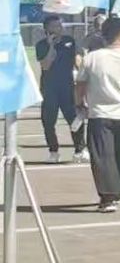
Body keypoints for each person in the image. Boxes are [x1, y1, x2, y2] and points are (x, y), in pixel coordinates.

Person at [77, 16, 120, 213]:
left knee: (102, 156)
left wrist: (79, 103)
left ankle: (108, 197)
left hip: (100, 113)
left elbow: (80, 84)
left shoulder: (92, 58)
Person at [34, 14, 84, 164]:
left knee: (74, 119)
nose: (59, 28)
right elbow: (46, 65)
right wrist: (51, 46)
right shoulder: (41, 45)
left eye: (60, 25)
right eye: (55, 26)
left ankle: (80, 150)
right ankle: (54, 151)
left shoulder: (70, 41)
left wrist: (82, 74)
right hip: (49, 89)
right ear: (47, 29)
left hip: (67, 87)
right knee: (48, 121)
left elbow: (78, 61)